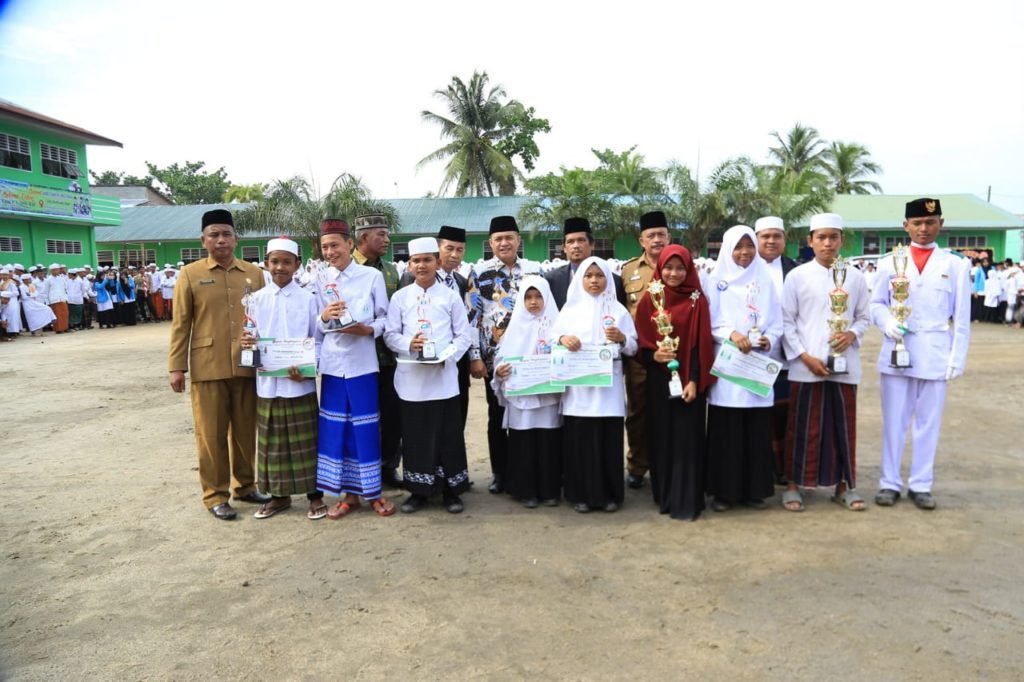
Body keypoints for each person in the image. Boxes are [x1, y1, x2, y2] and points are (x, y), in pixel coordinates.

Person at [168, 209, 271, 520]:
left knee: (245, 430)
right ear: (203, 240)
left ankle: (246, 485)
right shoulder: (190, 274)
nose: (221, 240)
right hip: (207, 365)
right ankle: (215, 495)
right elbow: (181, 323)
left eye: (226, 234)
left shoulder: (255, 273)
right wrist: (177, 366)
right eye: (214, 234)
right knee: (210, 435)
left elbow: (265, 319)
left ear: (236, 239)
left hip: (247, 363)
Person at [871, 198, 971, 510]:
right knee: (894, 422)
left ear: (941, 223)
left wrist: (957, 359)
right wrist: (888, 323)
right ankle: (889, 483)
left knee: (929, 422)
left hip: (935, 351)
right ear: (906, 226)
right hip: (897, 350)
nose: (923, 229)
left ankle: (921, 484)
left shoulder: (955, 264)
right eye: (917, 223)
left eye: (930, 222)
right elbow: (876, 304)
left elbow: (963, 318)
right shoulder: (889, 262)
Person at [780, 213, 871, 512]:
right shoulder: (797, 276)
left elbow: (864, 317)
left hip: (845, 367)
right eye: (821, 237)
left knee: (842, 428)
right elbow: (786, 322)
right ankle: (794, 485)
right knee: (802, 427)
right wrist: (805, 357)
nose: (828, 243)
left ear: (842, 240)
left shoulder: (855, 276)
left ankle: (844, 487)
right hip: (805, 367)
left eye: (834, 237)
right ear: (810, 241)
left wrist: (851, 334)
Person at [384, 237, 475, 514]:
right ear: (409, 265)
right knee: (415, 436)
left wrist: (447, 357)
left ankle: (451, 491)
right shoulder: (400, 298)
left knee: (448, 435)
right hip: (412, 378)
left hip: (443, 377)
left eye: (427, 259)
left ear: (437, 262)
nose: (421, 265)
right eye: (416, 260)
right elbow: (390, 334)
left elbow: (464, 335)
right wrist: (408, 344)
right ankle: (418, 492)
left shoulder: (450, 296)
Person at [314, 219, 396, 519]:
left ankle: (373, 492)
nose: (330, 251)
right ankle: (348, 495)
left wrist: (367, 330)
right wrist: (324, 316)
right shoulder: (320, 279)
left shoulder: (370, 277)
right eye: (325, 247)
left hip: (363, 363)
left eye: (335, 245)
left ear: (350, 244)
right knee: (338, 428)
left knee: (365, 427)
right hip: (334, 366)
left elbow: (386, 319)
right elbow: (317, 328)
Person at [240, 237, 327, 520]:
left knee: (306, 441)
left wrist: (307, 366)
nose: (280, 267)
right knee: (273, 442)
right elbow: (251, 337)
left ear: (296, 265)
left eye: (286, 262)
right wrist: (247, 342)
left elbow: (319, 339)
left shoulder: (309, 299)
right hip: (268, 383)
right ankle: (279, 496)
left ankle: (315, 496)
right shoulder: (255, 300)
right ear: (266, 264)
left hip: (299, 383)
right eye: (274, 261)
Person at [634, 245, 716, 521]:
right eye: (668, 267)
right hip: (659, 380)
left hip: (689, 381)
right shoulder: (650, 299)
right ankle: (665, 495)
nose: (673, 273)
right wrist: (653, 354)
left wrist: (694, 380)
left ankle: (687, 500)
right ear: (660, 268)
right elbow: (641, 345)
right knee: (662, 438)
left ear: (689, 269)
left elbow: (700, 345)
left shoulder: (697, 300)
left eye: (680, 268)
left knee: (687, 439)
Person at [704, 225, 781, 512]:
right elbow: (711, 321)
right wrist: (731, 334)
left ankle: (755, 491)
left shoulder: (766, 279)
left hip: (758, 363)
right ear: (727, 249)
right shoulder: (716, 281)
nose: (745, 252)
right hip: (729, 367)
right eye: (738, 247)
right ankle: (725, 492)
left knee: (756, 430)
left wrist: (768, 338)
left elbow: (777, 320)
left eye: (749, 246)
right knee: (728, 431)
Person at [552, 256, 637, 513]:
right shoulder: (569, 309)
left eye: (599, 276)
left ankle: (611, 496)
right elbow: (552, 340)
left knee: (607, 443)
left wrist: (622, 338)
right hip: (579, 392)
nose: (594, 281)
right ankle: (581, 495)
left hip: (607, 392)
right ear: (580, 279)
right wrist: (564, 338)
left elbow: (634, 346)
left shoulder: (618, 310)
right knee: (580, 443)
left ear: (607, 279)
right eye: (588, 276)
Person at [473, 215, 541, 494]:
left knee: (530, 414)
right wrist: (476, 356)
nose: (504, 243)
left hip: (530, 357)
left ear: (518, 240)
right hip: (496, 359)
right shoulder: (479, 273)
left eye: (509, 237)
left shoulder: (534, 271)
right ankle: (500, 472)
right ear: (490, 243)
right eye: (498, 239)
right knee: (497, 414)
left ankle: (529, 470)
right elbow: (472, 316)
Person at [398, 225, 486, 430]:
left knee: (455, 415)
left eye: (460, 249)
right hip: (420, 362)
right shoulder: (413, 279)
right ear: (438, 252)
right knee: (425, 419)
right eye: (449, 248)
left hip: (455, 359)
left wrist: (472, 356)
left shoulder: (462, 282)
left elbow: (471, 320)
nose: (455, 254)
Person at [491, 276, 563, 508]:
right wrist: (500, 371)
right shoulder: (514, 328)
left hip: (549, 398)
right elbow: (501, 358)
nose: (533, 302)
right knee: (524, 443)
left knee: (548, 443)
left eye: (538, 296)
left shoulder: (558, 325)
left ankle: (549, 489)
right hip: (522, 398)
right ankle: (526, 491)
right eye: (528, 297)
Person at [620, 211, 671, 489]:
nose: (656, 240)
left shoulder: (678, 264)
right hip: (639, 354)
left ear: (669, 237)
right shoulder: (628, 270)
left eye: (660, 234)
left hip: (672, 352)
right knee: (638, 410)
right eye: (650, 235)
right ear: (641, 239)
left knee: (671, 408)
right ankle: (637, 465)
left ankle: (667, 461)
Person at [352, 213, 403, 489]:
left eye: (386, 234)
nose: (387, 239)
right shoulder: (345, 268)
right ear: (363, 239)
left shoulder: (392, 271)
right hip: (356, 358)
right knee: (362, 417)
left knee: (392, 415)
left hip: (387, 358)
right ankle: (363, 470)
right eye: (381, 235)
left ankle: (388, 468)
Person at [754, 216, 800, 484]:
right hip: (752, 357)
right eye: (765, 236)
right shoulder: (743, 268)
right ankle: (760, 468)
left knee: (783, 415)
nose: (771, 241)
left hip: (786, 357)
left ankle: (782, 469)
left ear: (784, 240)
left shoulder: (795, 271)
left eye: (776, 236)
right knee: (758, 417)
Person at [544, 217, 626, 309]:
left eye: (581, 240)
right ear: (564, 248)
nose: (576, 246)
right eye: (570, 242)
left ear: (592, 244)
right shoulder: (551, 280)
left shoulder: (614, 281)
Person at [40, 263, 70, 333]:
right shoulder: (48, 280)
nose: (55, 271)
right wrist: (47, 302)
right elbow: (46, 291)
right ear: (51, 271)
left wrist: (66, 298)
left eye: (57, 270)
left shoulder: (62, 279)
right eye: (54, 270)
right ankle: (58, 329)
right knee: (57, 315)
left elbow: (65, 289)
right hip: (54, 300)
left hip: (62, 299)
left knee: (65, 314)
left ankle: (65, 328)